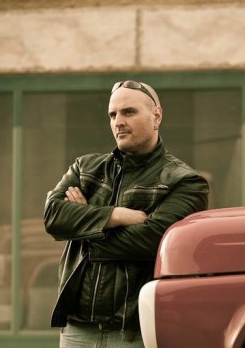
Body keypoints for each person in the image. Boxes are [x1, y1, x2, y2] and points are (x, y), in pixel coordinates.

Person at [44, 80, 210, 347]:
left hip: (134, 332)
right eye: (113, 114)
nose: (118, 121)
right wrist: (116, 215)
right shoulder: (85, 168)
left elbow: (153, 241)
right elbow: (53, 217)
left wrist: (83, 224)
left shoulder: (185, 181)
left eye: (128, 112)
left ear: (156, 116)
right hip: (76, 330)